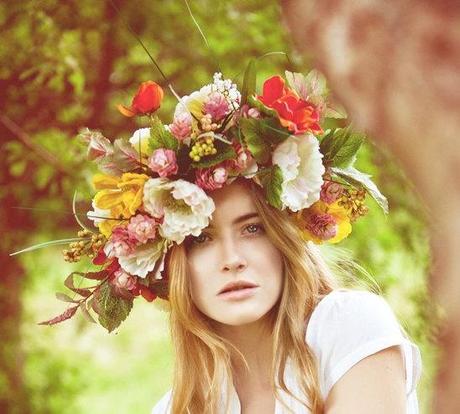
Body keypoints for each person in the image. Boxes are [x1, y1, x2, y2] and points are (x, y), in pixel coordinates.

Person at [151, 178, 422, 414]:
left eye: (252, 228)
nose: (232, 260)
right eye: (200, 238)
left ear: (285, 238)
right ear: (171, 267)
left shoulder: (349, 325)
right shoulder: (178, 407)